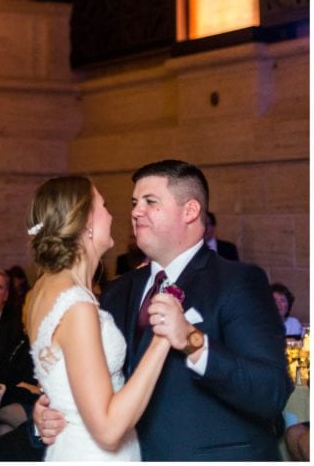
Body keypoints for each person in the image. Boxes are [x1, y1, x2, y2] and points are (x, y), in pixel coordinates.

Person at [36, 159, 292, 461]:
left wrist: (194, 342)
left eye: (150, 202)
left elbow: (271, 392)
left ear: (190, 211)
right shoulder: (116, 292)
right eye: (134, 203)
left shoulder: (237, 282)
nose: (135, 212)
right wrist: (47, 418)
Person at [26, 175, 175, 460]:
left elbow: (62, 377)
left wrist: (45, 412)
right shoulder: (77, 306)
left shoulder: (43, 290)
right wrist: (162, 340)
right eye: (103, 205)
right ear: (86, 224)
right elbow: (107, 431)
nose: (113, 214)